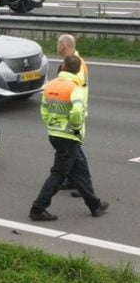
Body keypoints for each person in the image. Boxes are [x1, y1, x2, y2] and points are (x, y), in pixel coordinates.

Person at [29, 55, 108, 221]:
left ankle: (94, 204)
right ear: (77, 70)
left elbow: (44, 110)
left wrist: (52, 125)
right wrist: (76, 127)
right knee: (58, 174)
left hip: (55, 134)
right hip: (69, 136)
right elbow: (78, 111)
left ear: (63, 67)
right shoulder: (75, 88)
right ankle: (38, 208)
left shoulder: (50, 85)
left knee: (80, 169)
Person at [56, 34, 89, 195]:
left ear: (63, 46)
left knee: (76, 152)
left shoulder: (77, 65)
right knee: (72, 150)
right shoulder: (69, 62)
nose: (57, 47)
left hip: (73, 115)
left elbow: (76, 90)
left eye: (58, 44)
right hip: (67, 114)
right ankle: (74, 181)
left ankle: (84, 186)